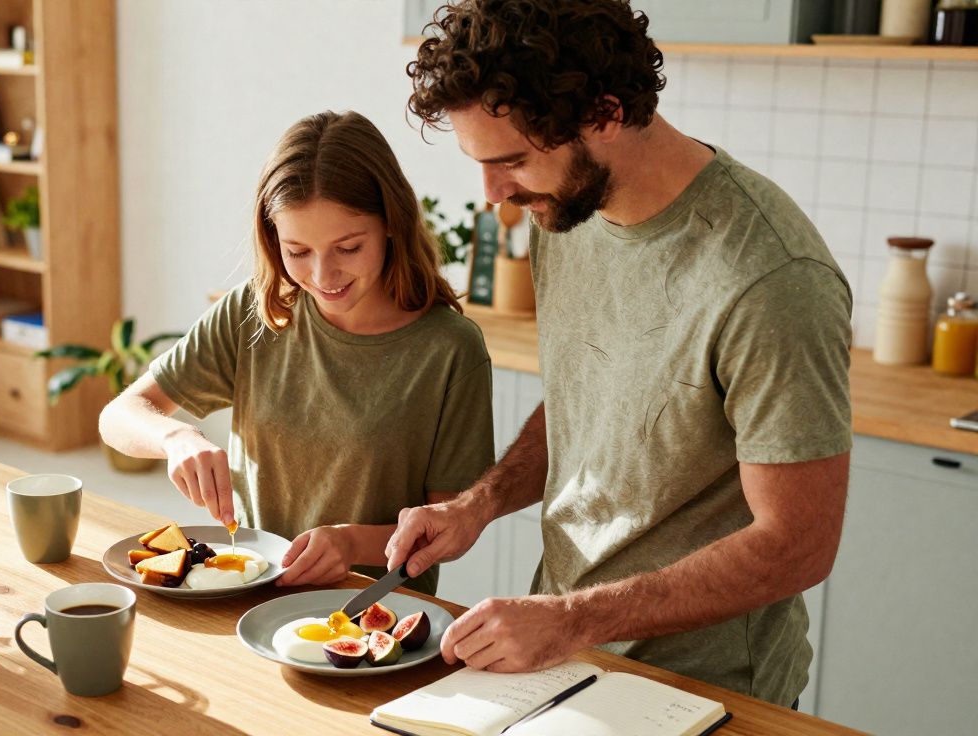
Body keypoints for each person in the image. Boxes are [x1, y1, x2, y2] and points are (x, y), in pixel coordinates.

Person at [386, 0, 852, 707]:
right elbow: (591, 395)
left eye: (510, 161)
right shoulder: (567, 214)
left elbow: (798, 544)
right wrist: (476, 505)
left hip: (702, 689)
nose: (494, 196)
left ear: (604, 113)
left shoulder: (770, 277)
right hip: (567, 652)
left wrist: (573, 619)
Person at [99, 110, 495, 595]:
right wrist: (175, 438)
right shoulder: (254, 310)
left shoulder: (449, 348)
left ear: (392, 224)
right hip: (246, 593)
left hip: (366, 618)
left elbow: (447, 529)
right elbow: (120, 416)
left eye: (348, 248)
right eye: (298, 251)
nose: (323, 277)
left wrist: (350, 544)